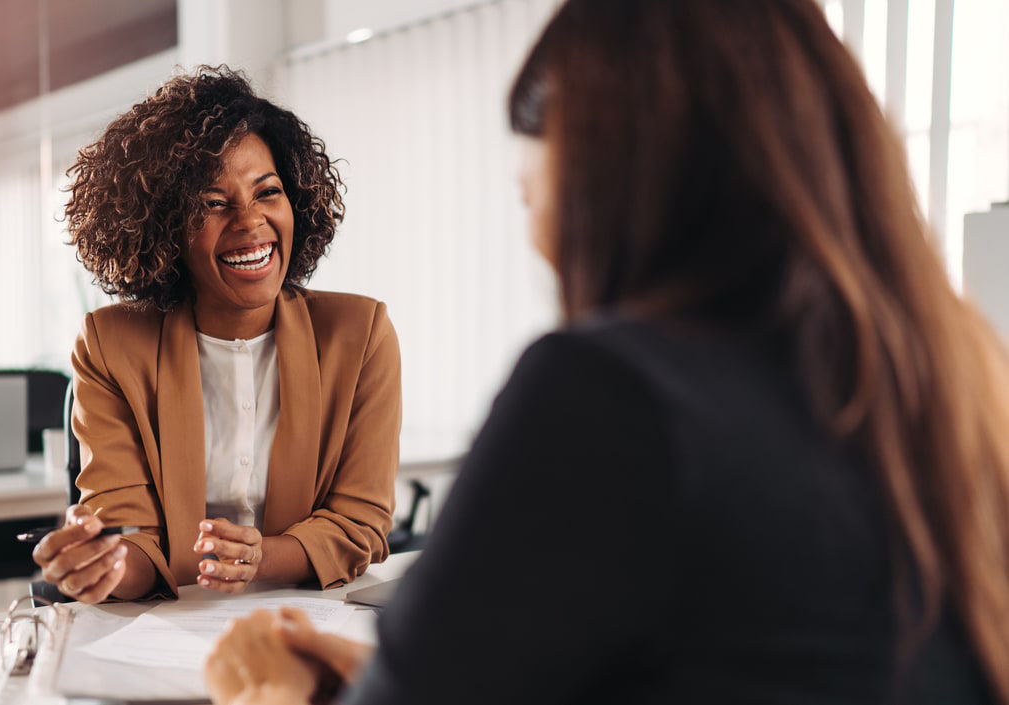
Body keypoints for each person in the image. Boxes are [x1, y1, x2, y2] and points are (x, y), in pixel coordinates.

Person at [203, 0, 1009, 703]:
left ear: (611, 179)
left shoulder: (612, 394)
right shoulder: (954, 378)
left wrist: (270, 692)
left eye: (535, 179)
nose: (533, 226)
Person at [31, 67, 401, 603]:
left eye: (267, 191)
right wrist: (103, 564)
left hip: (305, 615)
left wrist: (260, 558)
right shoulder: (111, 345)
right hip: (164, 626)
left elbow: (359, 523)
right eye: (212, 203)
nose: (250, 222)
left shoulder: (360, 334)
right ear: (164, 227)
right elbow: (132, 538)